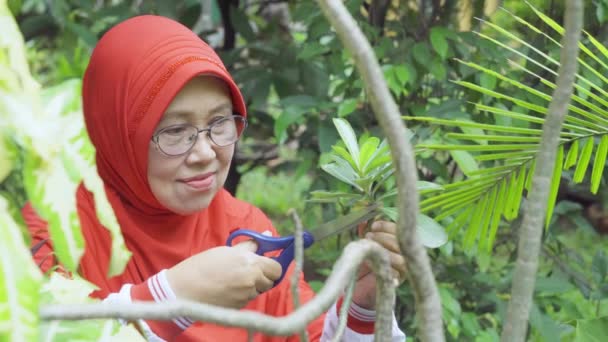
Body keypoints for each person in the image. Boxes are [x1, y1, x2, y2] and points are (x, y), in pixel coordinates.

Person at [23, 15, 407, 342]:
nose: (206, 153)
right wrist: (167, 300)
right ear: (117, 134)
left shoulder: (245, 227)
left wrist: (363, 305)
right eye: (175, 131)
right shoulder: (52, 228)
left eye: (220, 122)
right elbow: (36, 328)